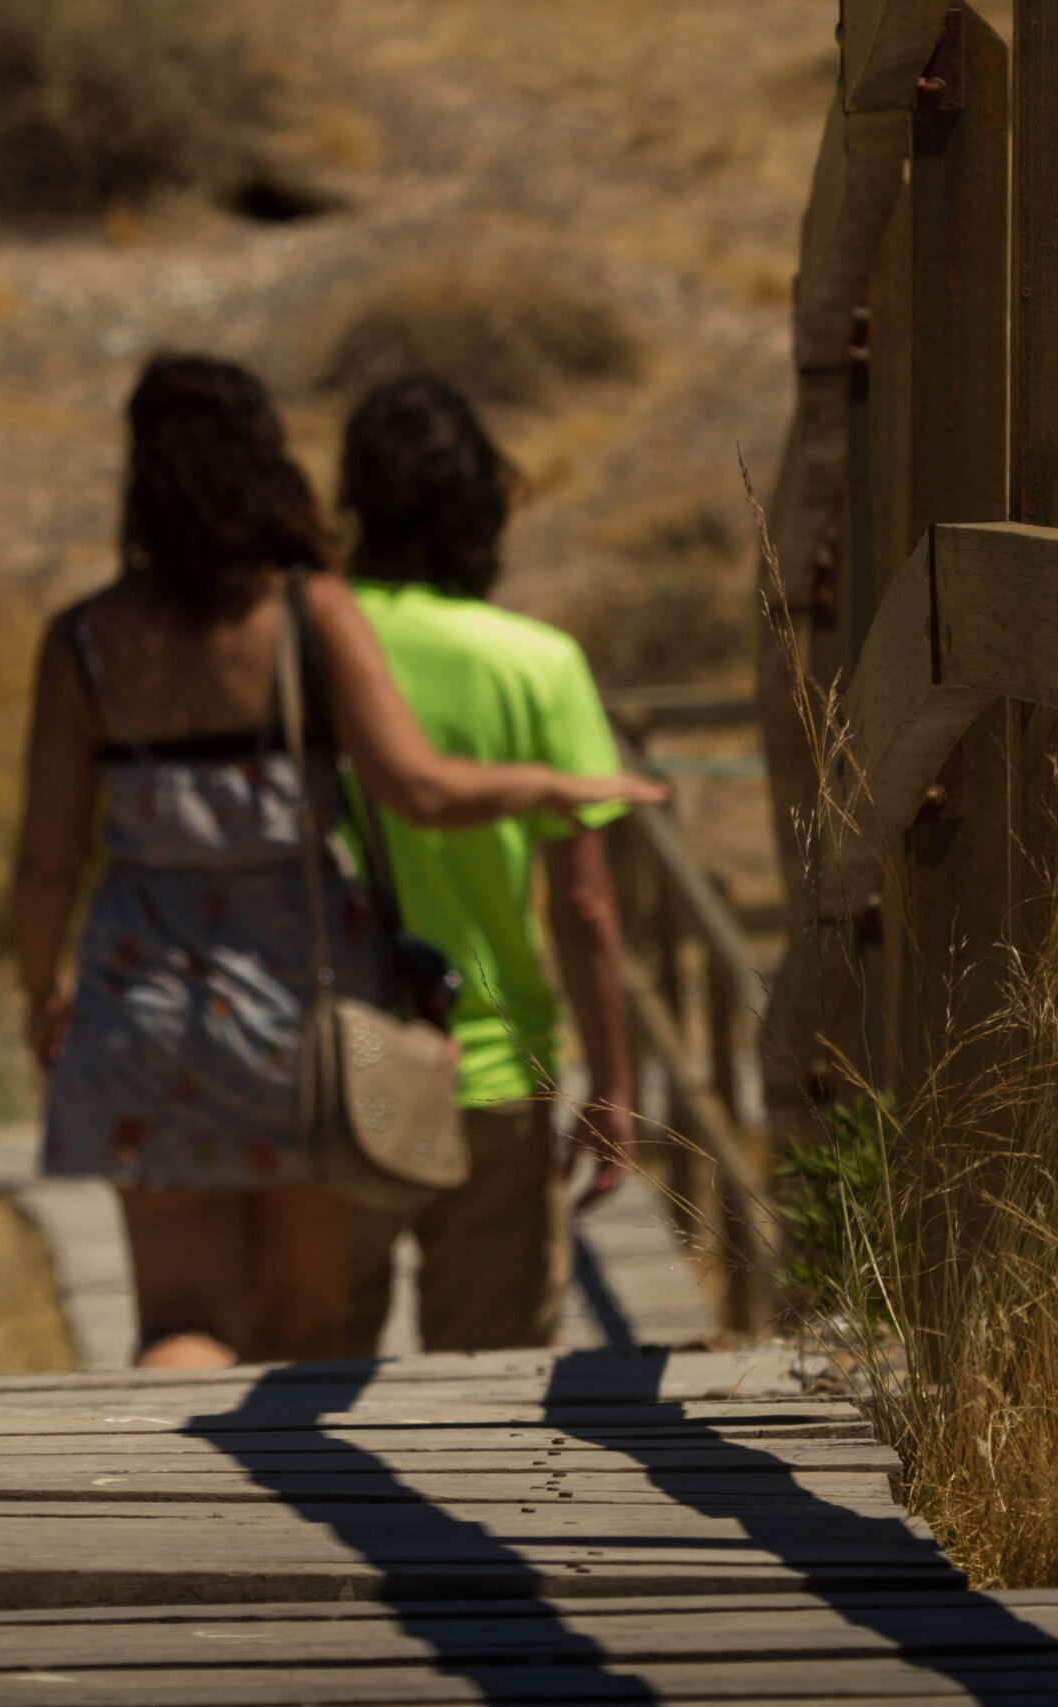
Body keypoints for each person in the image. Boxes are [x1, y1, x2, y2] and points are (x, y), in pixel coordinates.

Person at [12, 354, 662, 1372]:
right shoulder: (304, 613)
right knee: (304, 1326)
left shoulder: (86, 641)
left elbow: (46, 859)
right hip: (299, 1008)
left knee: (181, 1317)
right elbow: (419, 789)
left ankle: (158, 1464)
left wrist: (39, 988)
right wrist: (547, 785)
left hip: (142, 1006)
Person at [333, 375, 640, 1356]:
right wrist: (611, 1085)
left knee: (302, 1378)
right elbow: (584, 908)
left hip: (336, 1068)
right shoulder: (537, 663)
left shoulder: (305, 644)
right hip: (498, 1070)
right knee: (490, 1388)